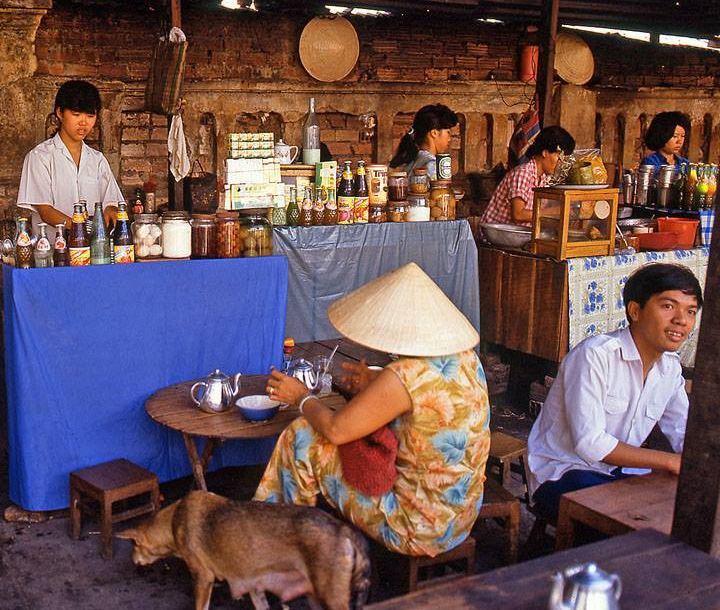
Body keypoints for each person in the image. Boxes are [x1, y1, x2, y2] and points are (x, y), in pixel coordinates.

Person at [255, 263, 489, 557]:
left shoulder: (404, 376)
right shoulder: (467, 359)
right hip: (460, 516)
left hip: (416, 527)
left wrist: (300, 396)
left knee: (301, 437)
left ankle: (275, 548)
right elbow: (427, 403)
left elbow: (336, 430)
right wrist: (374, 383)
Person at [527, 263, 702, 522]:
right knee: (631, 522)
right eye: (668, 306)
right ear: (635, 311)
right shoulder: (595, 356)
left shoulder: (669, 368)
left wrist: (700, 463)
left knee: (687, 507)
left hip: (619, 474)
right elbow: (590, 444)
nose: (681, 320)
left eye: (690, 311)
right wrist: (668, 461)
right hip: (564, 472)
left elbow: (683, 431)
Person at [17, 80, 124, 229]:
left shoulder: (97, 160)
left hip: (93, 249)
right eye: (76, 114)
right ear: (60, 112)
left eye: (90, 116)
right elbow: (46, 212)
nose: (84, 123)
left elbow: (111, 201)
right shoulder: (40, 157)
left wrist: (111, 210)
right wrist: (81, 231)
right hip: (54, 247)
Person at [480, 125, 575, 226]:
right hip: (495, 237)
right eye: (558, 156)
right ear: (545, 153)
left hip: (519, 237)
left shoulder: (543, 180)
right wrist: (554, 212)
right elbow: (518, 215)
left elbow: (537, 215)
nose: (560, 163)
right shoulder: (522, 173)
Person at [389, 104, 458, 180]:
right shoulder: (433, 165)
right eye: (448, 132)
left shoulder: (411, 161)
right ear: (434, 133)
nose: (449, 139)